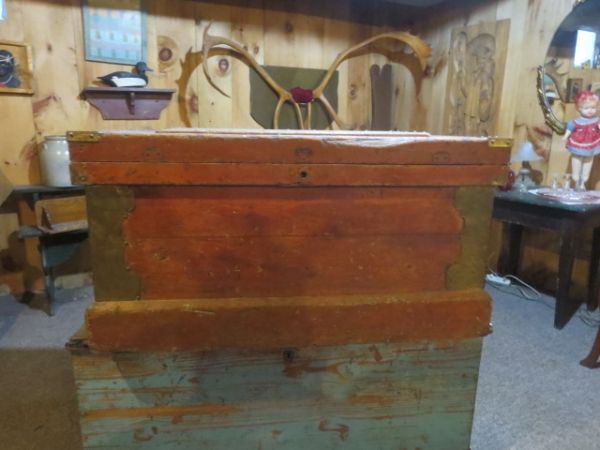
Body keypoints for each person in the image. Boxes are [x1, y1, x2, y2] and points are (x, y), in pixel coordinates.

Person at [564, 90, 600, 190]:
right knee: (576, 159)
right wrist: (566, 136)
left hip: (591, 144)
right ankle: (576, 179)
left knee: (588, 160)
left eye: (593, 107)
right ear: (579, 109)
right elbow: (570, 128)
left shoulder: (597, 121)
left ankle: (583, 181)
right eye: (586, 108)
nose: (590, 110)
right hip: (578, 143)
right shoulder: (576, 121)